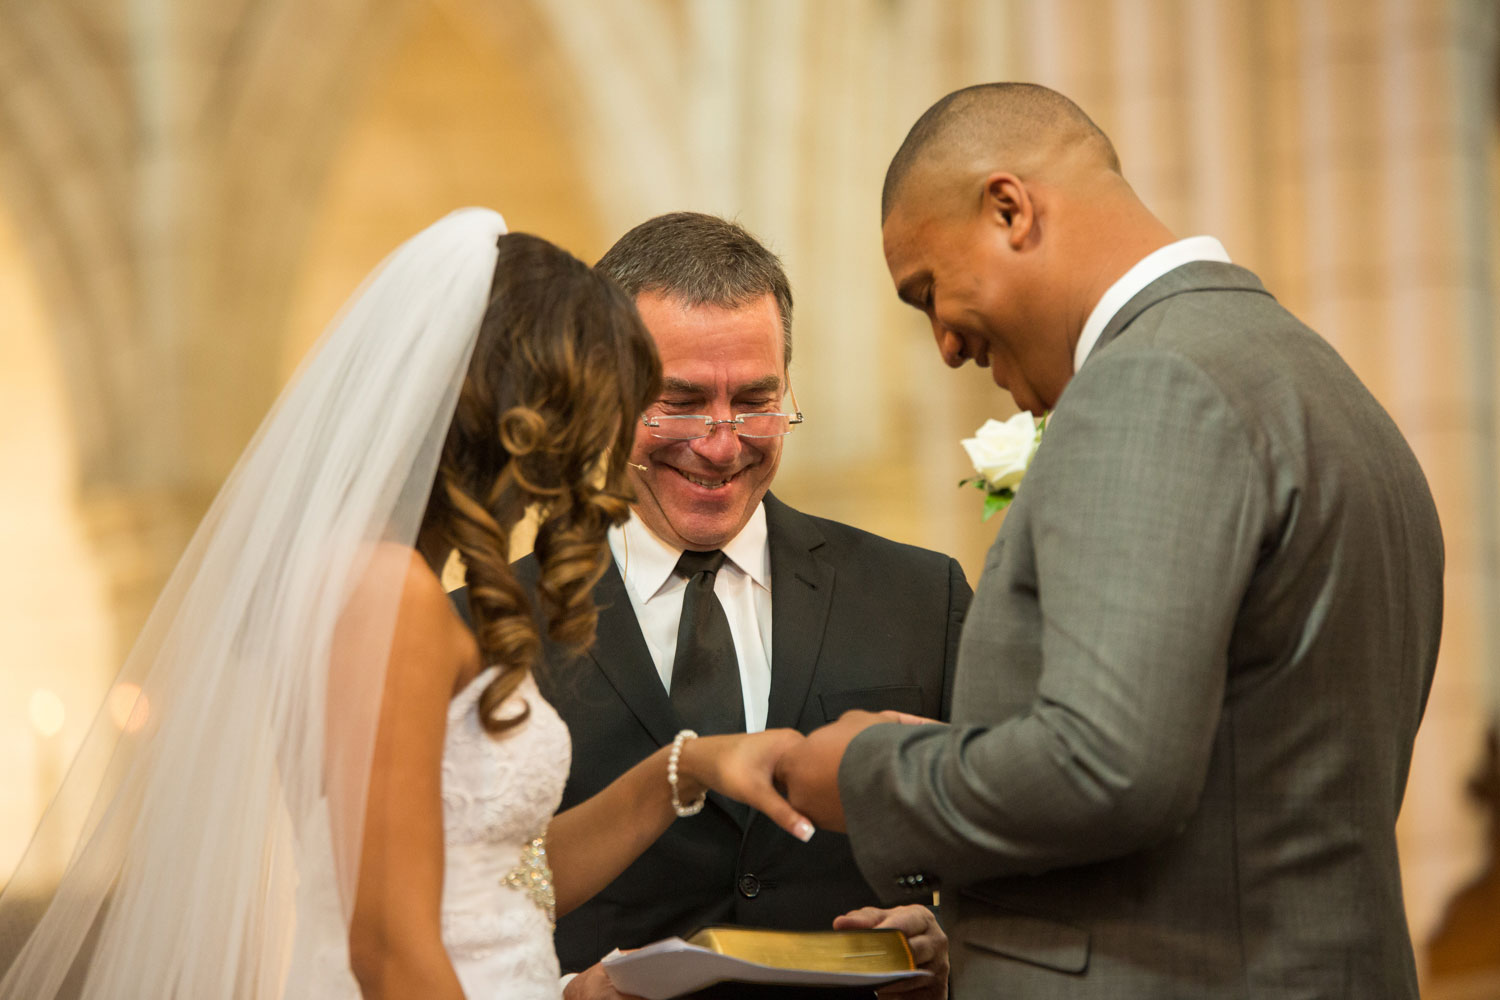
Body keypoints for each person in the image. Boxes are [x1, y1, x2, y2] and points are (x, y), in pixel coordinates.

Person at [0, 209, 815, 1000]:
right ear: (526, 418)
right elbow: (389, 948)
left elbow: (493, 880)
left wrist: (689, 767)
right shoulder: (387, 597)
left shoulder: (393, 584)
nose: (601, 453)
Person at [776, 83, 1444, 998]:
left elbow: (1109, 768)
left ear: (1010, 209)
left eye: (928, 291)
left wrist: (865, 771)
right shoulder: (1311, 376)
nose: (943, 344)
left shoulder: (1151, 385)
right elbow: (1241, 767)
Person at [453, 212, 968, 999]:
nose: (722, 445)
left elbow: (1009, 860)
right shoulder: (483, 629)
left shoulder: (918, 598)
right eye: (682, 402)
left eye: (756, 400)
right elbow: (444, 916)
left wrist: (950, 950)